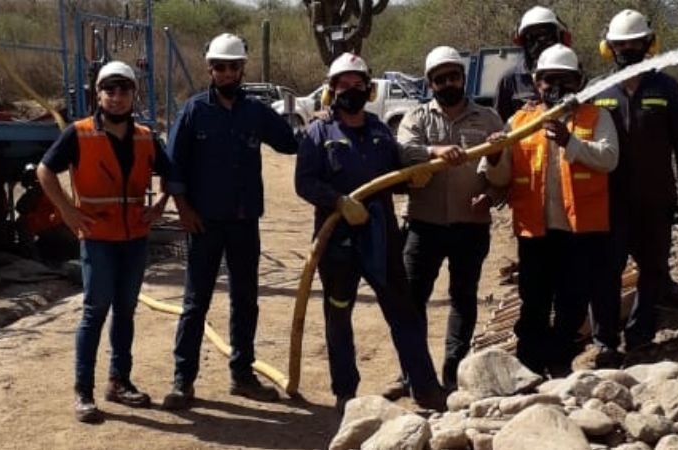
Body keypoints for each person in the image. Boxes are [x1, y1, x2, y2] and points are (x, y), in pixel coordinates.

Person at [294, 52, 447, 413]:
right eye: (343, 84)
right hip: (336, 240)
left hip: (381, 236)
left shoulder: (380, 131)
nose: (351, 89)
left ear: (369, 88)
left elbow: (395, 177)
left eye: (358, 83)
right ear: (332, 90)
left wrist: (415, 178)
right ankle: (346, 393)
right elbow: (304, 182)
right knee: (338, 314)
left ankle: (424, 387)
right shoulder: (319, 132)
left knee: (403, 311)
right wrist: (338, 201)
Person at [161, 33, 299, 409]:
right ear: (210, 69)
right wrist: (184, 210)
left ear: (242, 69)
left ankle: (242, 375)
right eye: (219, 67)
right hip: (203, 224)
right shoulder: (192, 112)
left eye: (232, 67)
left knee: (245, 301)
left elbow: (290, 142)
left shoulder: (255, 112)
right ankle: (182, 381)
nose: (225, 73)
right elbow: (174, 167)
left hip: (243, 223)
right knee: (195, 303)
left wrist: (324, 119)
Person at [36, 61, 170, 423]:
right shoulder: (79, 134)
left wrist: (159, 204)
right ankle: (84, 392)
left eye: (124, 90)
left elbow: (170, 174)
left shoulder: (145, 136)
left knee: (125, 311)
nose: (117, 97)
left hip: (134, 240)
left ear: (133, 95)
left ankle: (119, 381)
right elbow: (44, 170)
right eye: (109, 90)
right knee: (95, 312)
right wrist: (66, 211)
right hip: (98, 239)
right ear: (98, 94)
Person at [479, 44, 619, 377]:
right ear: (536, 82)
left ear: (579, 81)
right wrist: (497, 156)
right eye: (549, 79)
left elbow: (609, 158)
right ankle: (530, 361)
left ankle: (559, 360)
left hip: (579, 229)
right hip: (535, 229)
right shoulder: (521, 121)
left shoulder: (596, 116)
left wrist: (570, 142)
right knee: (534, 298)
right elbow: (500, 175)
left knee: (572, 299)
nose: (556, 86)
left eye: (565, 79)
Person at [381, 46, 503, 399]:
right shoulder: (416, 119)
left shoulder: (489, 119)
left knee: (463, 300)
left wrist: (492, 195)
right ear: (430, 84)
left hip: (471, 225)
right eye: (440, 79)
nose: (448, 83)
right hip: (423, 225)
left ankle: (453, 374)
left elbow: (505, 174)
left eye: (454, 76)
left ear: (463, 78)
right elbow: (404, 153)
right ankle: (412, 375)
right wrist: (435, 151)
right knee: (411, 301)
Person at [591, 9, 678, 358]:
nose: (627, 49)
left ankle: (639, 337)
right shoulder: (597, 89)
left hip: (656, 198)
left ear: (648, 44)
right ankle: (605, 343)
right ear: (609, 47)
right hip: (609, 199)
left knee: (653, 269)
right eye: (620, 44)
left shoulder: (666, 87)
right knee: (606, 271)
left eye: (635, 42)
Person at [495, 5, 572, 121]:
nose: (539, 43)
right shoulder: (510, 80)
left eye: (546, 37)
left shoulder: (572, 75)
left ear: (561, 38)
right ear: (522, 42)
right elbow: (500, 125)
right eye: (532, 37)